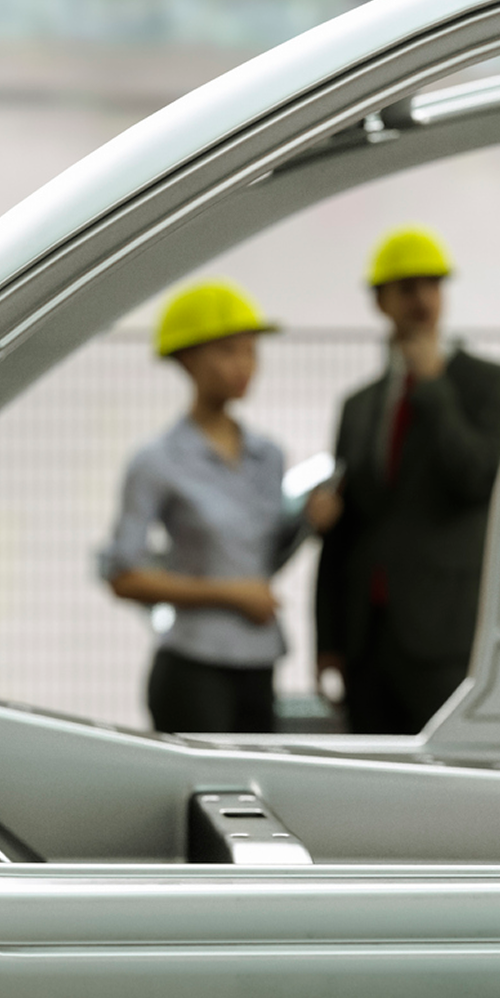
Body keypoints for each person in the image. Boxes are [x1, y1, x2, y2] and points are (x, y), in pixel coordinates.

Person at [310, 228, 500, 733]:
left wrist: (434, 388)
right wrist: (329, 640)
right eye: (406, 288)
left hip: (445, 634)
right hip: (368, 637)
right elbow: (347, 531)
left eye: (431, 285)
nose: (421, 299)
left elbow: (477, 477)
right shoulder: (359, 406)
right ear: (381, 301)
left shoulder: (487, 383)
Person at [99, 280, 310, 734]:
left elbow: (263, 554)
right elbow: (124, 575)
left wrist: (310, 520)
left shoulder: (267, 455)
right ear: (189, 359)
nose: (245, 365)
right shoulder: (157, 461)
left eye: (251, 351)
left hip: (260, 660)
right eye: (229, 351)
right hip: (194, 665)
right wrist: (230, 594)